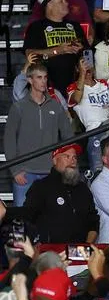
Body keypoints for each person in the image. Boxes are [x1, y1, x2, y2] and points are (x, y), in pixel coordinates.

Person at [5, 63, 73, 207]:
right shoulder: (18, 107)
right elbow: (9, 140)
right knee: (25, 219)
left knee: (51, 218)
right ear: (30, 80)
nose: (43, 81)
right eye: (39, 77)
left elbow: (68, 136)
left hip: (51, 172)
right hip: (25, 173)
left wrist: (63, 165)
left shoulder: (55, 106)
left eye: (45, 77)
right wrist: (15, 170)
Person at [23, 145, 99, 244]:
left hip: (81, 253)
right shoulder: (41, 187)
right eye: (67, 156)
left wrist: (87, 246)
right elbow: (28, 217)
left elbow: (93, 222)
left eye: (74, 157)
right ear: (55, 160)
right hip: (50, 254)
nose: (72, 161)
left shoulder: (83, 189)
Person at [24, 0, 89, 94]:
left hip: (76, 84)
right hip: (47, 86)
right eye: (61, 1)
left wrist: (81, 52)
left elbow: (87, 52)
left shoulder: (75, 26)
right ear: (50, 5)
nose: (66, 3)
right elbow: (30, 53)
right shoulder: (36, 27)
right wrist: (58, 50)